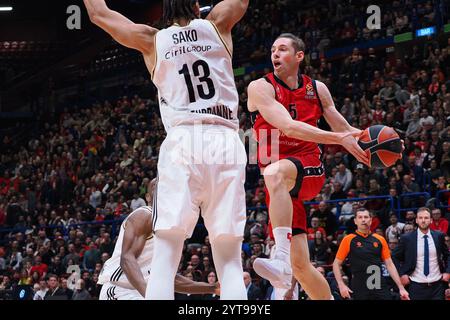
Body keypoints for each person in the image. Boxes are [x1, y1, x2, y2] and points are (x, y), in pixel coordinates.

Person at [84, 0, 249, 300]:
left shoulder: (152, 40)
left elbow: (99, 14)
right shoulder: (218, 23)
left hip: (183, 139)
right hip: (226, 140)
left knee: (165, 256)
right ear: (197, 6)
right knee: (229, 260)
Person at [248, 33, 372, 300]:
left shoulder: (317, 89)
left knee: (274, 172)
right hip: (279, 185)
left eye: (282, 49)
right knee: (301, 267)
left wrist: (365, 138)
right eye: (272, 50)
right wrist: (339, 139)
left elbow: (342, 126)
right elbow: (289, 126)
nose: (275, 54)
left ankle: (278, 258)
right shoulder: (260, 87)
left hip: (307, 166)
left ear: (299, 56)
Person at [98, 180, 219, 300]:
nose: (162, 186)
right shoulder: (144, 215)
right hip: (121, 290)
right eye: (156, 185)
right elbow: (127, 258)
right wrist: (151, 296)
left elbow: (169, 278)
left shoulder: (171, 229)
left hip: (143, 292)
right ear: (148, 197)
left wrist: (212, 288)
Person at [332, 209, 409, 300]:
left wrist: (401, 288)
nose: (363, 220)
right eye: (360, 217)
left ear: (371, 220)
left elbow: (389, 264)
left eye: (366, 217)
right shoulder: (348, 239)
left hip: (378, 284)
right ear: (355, 221)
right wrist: (341, 285)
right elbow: (336, 263)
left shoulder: (380, 239)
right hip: (359, 285)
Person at [392, 207, 450, 300]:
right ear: (416, 220)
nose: (423, 220)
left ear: (431, 220)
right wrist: (401, 274)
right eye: (420, 218)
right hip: (415, 286)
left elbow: (448, 255)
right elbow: (394, 257)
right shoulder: (407, 238)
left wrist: (448, 272)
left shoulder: (439, 236)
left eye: (426, 218)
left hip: (437, 286)